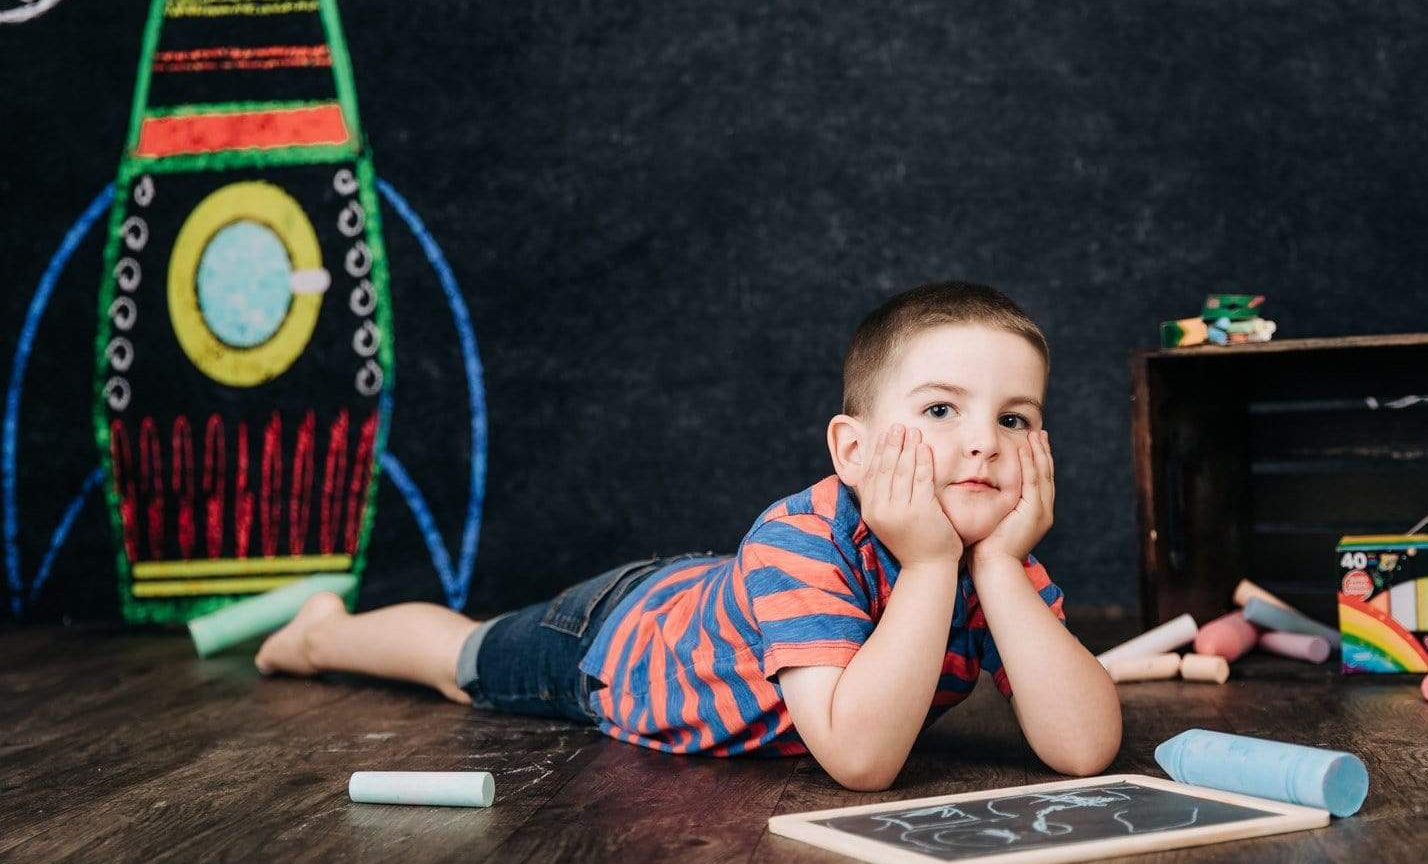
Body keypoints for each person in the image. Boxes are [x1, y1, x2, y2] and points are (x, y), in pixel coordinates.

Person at [256, 281, 1122, 790]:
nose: (985, 442)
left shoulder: (996, 567)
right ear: (852, 451)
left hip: (713, 592)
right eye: (941, 409)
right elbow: (862, 758)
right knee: (464, 661)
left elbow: (1083, 747)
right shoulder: (802, 538)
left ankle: (327, 627)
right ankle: (321, 633)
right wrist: (933, 563)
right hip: (617, 638)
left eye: (1016, 418)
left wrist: (1000, 569)